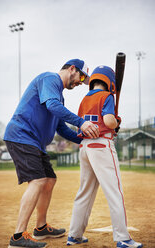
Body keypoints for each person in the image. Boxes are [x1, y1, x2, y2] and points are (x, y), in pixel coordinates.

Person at [4, 59, 100, 248]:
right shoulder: (50, 79)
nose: (81, 82)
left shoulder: (58, 98)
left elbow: (61, 129)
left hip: (35, 142)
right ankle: (17, 237)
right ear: (72, 69)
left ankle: (40, 228)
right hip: (21, 136)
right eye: (81, 76)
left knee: (49, 180)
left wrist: (86, 140)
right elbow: (53, 107)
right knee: (39, 180)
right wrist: (81, 122)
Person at [67, 66, 143, 248]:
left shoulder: (85, 99)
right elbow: (108, 121)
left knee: (84, 192)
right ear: (110, 83)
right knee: (115, 192)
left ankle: (74, 235)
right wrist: (116, 122)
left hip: (85, 147)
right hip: (101, 146)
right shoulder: (107, 96)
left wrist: (111, 123)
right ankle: (123, 238)